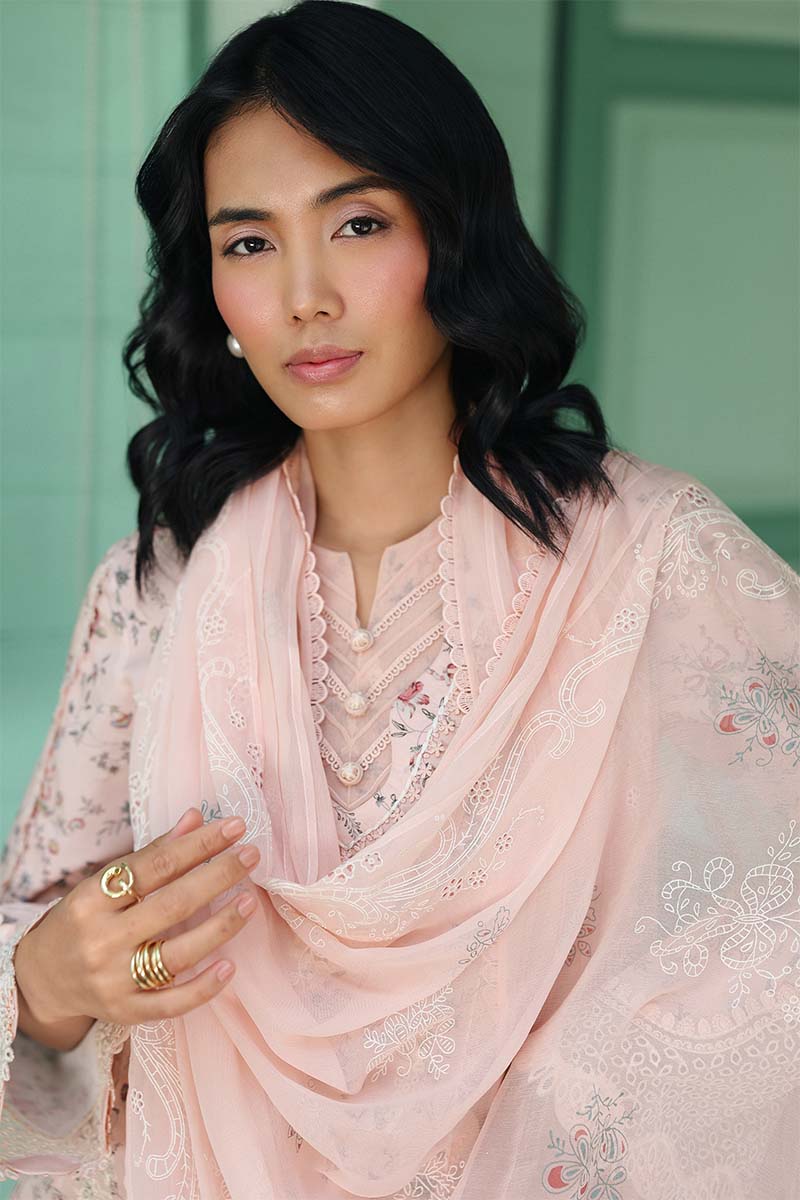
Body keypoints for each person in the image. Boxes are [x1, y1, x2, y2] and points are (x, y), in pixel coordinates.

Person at [1, 2, 798, 1197]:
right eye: (248, 243)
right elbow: (43, 955)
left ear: (453, 229)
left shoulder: (648, 564)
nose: (305, 296)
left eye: (358, 223)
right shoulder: (156, 592)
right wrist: (48, 982)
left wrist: (582, 1098)